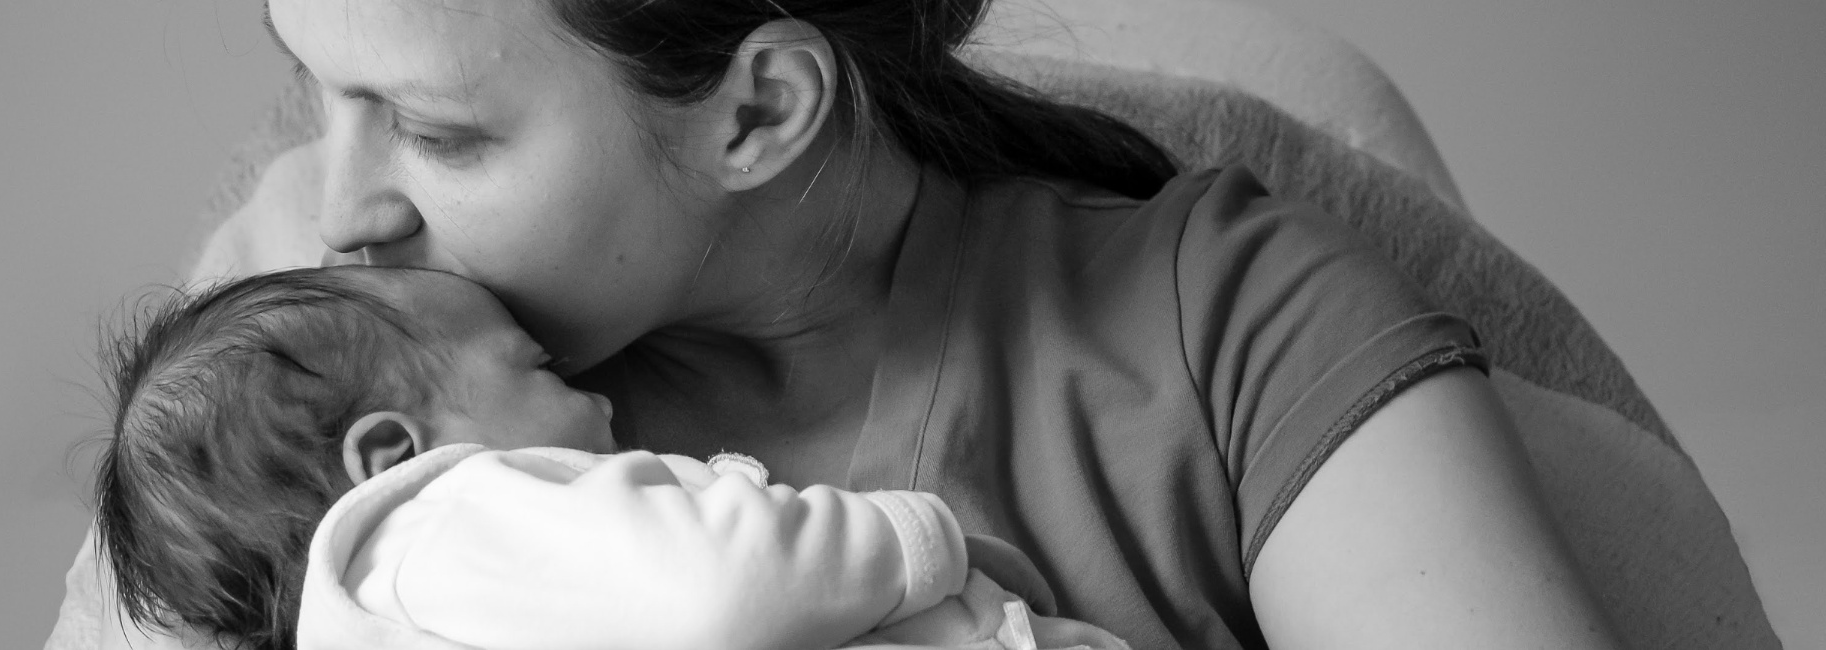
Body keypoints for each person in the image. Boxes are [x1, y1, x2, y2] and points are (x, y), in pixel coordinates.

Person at [78, 0, 1631, 648]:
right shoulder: (304, 425)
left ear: (759, 107)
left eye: (434, 131)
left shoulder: (1235, 326)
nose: (338, 204)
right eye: (315, 89)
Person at [95, 265, 1129, 650]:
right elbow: (716, 593)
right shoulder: (442, 523)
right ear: (393, 452)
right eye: (536, 366)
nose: (595, 396)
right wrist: (910, 539)